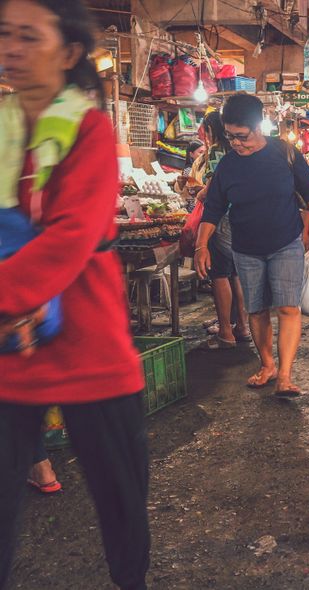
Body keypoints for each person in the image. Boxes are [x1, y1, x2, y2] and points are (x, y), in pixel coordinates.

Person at [0, 1, 150, 589]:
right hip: (14, 357)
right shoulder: (5, 128)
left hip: (92, 351)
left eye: (27, 36)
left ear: (66, 54)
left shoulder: (89, 129)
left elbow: (69, 238)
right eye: (4, 34)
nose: (11, 47)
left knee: (121, 510)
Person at [195, 93, 309, 397]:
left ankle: (285, 374)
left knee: (288, 307)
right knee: (256, 310)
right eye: (230, 136)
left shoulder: (285, 153)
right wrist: (202, 245)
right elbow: (212, 208)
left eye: (241, 136)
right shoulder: (227, 165)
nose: (236, 143)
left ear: (258, 127)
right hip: (246, 248)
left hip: (286, 242)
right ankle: (267, 365)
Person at [195, 111, 250, 348]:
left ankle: (226, 331)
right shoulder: (241, 149)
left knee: (219, 274)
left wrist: (198, 193)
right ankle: (243, 326)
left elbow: (213, 187)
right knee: (237, 273)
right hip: (241, 217)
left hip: (221, 218)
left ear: (211, 130)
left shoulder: (217, 150)